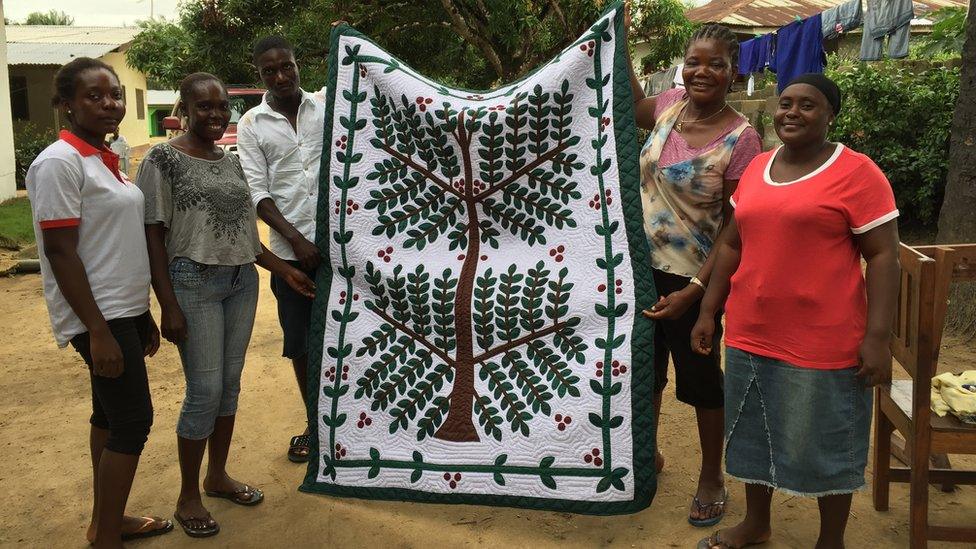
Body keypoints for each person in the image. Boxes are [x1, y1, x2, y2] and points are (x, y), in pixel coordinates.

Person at [691, 74, 900, 549]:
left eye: (808, 105)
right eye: (786, 103)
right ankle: (756, 523)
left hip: (823, 339)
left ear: (830, 115)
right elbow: (731, 244)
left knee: (829, 440)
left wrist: (877, 337)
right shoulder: (758, 168)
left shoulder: (857, 172)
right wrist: (708, 311)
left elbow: (885, 255)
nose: (792, 112)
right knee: (752, 435)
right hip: (750, 331)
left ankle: (831, 540)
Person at [136, 72, 315, 538]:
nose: (216, 115)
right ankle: (187, 495)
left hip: (240, 283)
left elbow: (245, 238)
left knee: (229, 387)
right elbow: (152, 234)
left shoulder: (229, 160)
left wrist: (285, 269)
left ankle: (217, 477)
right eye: (204, 107)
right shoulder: (161, 159)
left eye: (222, 107)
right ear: (184, 109)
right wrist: (167, 303)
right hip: (191, 283)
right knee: (204, 390)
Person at [26, 57, 173, 548]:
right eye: (95, 95)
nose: (110, 103)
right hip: (98, 316)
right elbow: (61, 253)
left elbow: (114, 247)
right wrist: (99, 331)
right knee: (134, 421)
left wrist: (142, 312)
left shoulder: (104, 160)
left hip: (121, 310)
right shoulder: (57, 163)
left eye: (114, 94)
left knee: (108, 417)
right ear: (66, 105)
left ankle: (104, 521)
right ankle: (107, 535)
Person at [625, 6, 762, 527]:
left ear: (734, 70)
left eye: (716, 64)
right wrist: (615, 41)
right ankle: (648, 457)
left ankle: (711, 475)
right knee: (645, 372)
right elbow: (630, 102)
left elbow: (736, 224)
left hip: (694, 278)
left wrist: (704, 294)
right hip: (637, 268)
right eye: (693, 62)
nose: (702, 72)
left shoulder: (741, 138)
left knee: (703, 378)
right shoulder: (668, 106)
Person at [237, 35, 326, 463]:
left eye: (286, 66)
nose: (280, 76)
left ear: (297, 64)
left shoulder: (326, 108)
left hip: (339, 246)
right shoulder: (252, 124)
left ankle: (355, 422)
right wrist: (296, 239)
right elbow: (258, 192)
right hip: (291, 255)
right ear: (260, 75)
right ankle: (316, 425)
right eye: (269, 71)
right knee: (304, 343)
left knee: (350, 335)